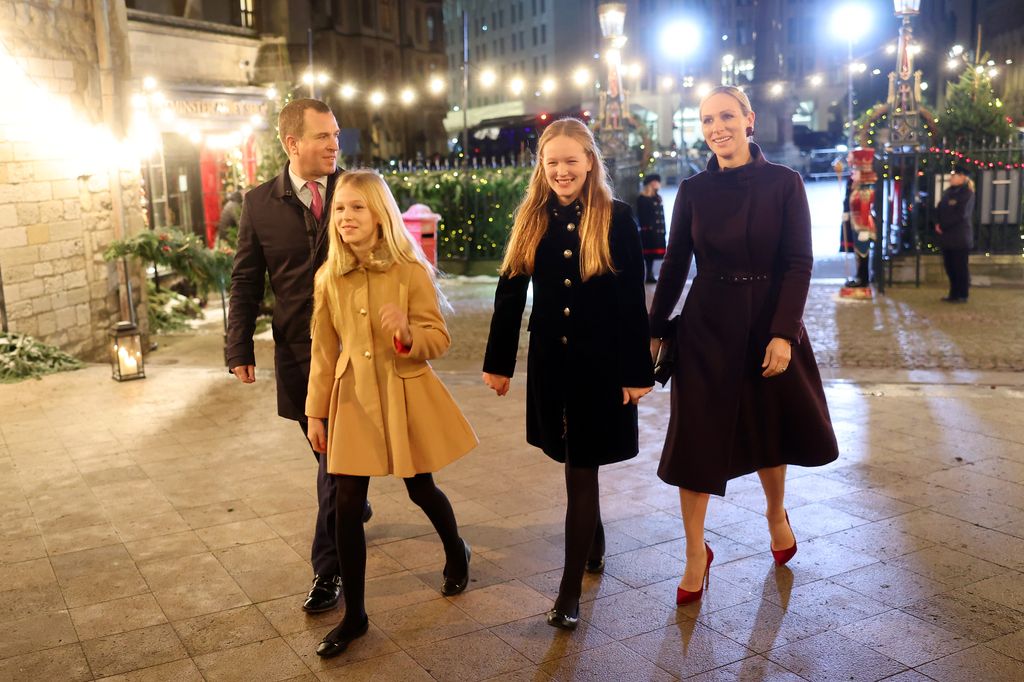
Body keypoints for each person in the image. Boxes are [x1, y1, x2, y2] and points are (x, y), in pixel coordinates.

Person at [648, 86, 839, 605]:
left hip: (765, 323)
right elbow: (674, 267)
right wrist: (655, 328)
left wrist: (784, 333)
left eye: (727, 116)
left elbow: (800, 263)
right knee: (694, 440)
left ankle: (776, 513)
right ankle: (694, 552)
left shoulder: (785, 183)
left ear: (749, 119)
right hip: (706, 326)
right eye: (708, 119)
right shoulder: (691, 190)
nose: (717, 128)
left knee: (767, 431)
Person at [482, 118, 654, 630]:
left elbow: (631, 301)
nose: (561, 170)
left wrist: (636, 371)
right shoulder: (531, 217)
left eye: (570, 161)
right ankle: (594, 543)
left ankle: (568, 591)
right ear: (542, 166)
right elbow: (510, 293)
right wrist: (498, 362)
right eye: (551, 162)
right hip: (552, 367)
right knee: (575, 463)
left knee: (581, 468)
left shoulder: (616, 218)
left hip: (600, 367)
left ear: (589, 162)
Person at [306, 170, 478, 657]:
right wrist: (316, 413)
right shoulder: (328, 277)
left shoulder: (409, 271)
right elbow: (323, 351)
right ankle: (356, 616)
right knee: (344, 503)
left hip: (401, 395)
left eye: (357, 207)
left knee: (421, 486)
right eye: (339, 208)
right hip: (352, 399)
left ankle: (456, 550)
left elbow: (437, 339)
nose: (346, 217)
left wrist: (406, 334)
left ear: (379, 214)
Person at [225, 98, 370, 617]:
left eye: (336, 135)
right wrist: (238, 346)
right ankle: (351, 507)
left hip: (357, 354)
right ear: (292, 143)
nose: (336, 144)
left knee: (334, 465)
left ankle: (326, 571)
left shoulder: (357, 192)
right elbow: (245, 280)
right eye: (324, 136)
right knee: (330, 460)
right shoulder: (259, 203)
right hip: (298, 355)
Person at [935, 164, 975, 303]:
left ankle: (962, 294)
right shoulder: (948, 192)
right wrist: (938, 223)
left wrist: (943, 225)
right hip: (947, 236)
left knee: (960, 267)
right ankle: (953, 293)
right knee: (950, 266)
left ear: (962, 177)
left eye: (954, 175)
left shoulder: (967, 194)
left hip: (959, 237)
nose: (951, 178)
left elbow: (961, 214)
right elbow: (940, 208)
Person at [636, 174, 667, 283]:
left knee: (653, 255)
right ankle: (648, 274)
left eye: (657, 182)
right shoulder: (643, 198)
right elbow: (642, 216)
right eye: (654, 182)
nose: (657, 184)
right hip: (649, 232)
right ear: (649, 184)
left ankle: (650, 274)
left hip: (658, 231)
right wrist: (648, 228)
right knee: (648, 255)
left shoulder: (657, 197)